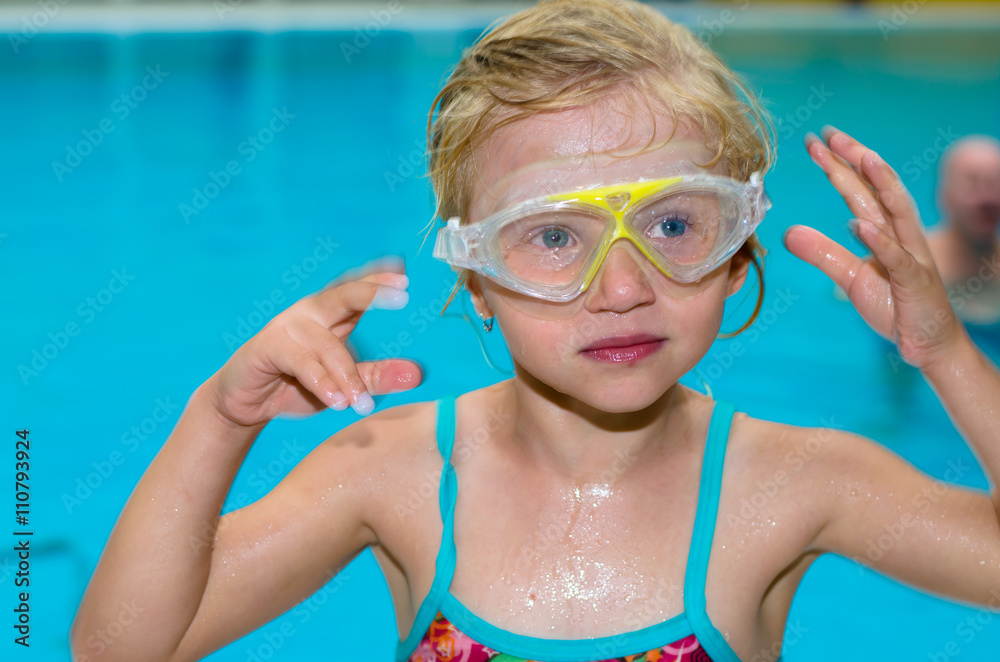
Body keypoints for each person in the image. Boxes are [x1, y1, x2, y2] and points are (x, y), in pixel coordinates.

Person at [70, 1, 1000, 661]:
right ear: (476, 277)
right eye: (554, 238)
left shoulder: (799, 484)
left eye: (675, 224)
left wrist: (947, 354)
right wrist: (218, 420)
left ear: (735, 251)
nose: (624, 287)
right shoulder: (390, 471)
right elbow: (118, 652)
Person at [925, 135, 1000, 327]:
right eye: (972, 183)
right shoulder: (908, 263)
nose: (987, 198)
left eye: (996, 183)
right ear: (945, 196)